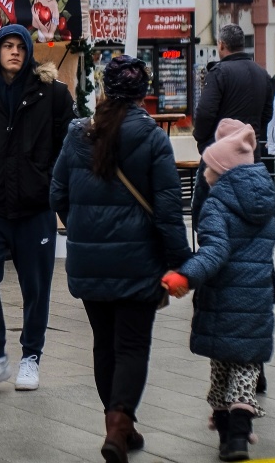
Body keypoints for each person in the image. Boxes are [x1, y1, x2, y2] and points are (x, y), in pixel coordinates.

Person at [51, 55, 191, 462]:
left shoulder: (78, 133)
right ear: (143, 93)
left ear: (105, 90)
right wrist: (181, 262)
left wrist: (80, 229)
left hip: (88, 260)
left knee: (104, 346)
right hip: (138, 261)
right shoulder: (152, 138)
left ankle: (119, 429)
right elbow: (168, 210)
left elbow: (57, 192)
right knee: (131, 347)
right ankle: (119, 425)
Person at [0, 24, 74, 393]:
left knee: (35, 287)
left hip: (35, 207)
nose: (13, 52)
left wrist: (48, 182)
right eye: (6, 46)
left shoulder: (53, 94)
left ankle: (31, 357)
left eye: (19, 46)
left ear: (28, 52)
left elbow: (67, 145)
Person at [163, 120, 275, 462]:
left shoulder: (217, 206)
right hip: (258, 300)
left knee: (222, 370)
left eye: (210, 169)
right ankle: (241, 436)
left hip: (224, 298)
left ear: (222, 171)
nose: (205, 176)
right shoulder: (266, 204)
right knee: (246, 368)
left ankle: (229, 439)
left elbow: (214, 252)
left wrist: (185, 277)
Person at [192, 25, 274, 222]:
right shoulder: (262, 73)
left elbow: (205, 112)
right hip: (250, 152)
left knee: (206, 211)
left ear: (221, 45)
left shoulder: (220, 72)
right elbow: (267, 113)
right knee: (248, 207)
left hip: (220, 152)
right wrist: (252, 134)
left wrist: (202, 140)